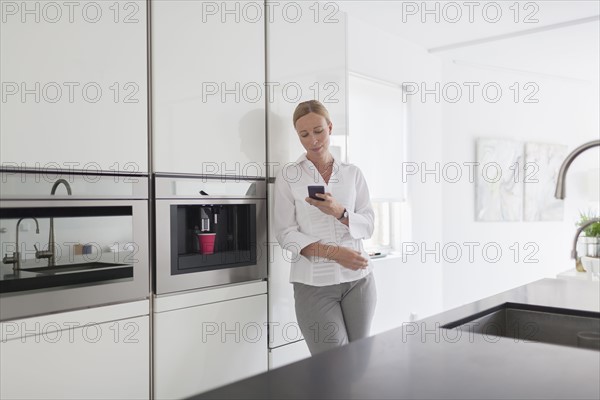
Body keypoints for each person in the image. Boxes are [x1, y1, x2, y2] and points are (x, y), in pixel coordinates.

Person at [274, 99, 377, 355]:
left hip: (359, 282)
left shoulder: (353, 173)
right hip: (313, 285)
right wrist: (335, 254)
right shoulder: (289, 176)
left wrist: (340, 212)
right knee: (332, 366)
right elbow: (285, 234)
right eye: (304, 134)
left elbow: (369, 224)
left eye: (318, 131)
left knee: (359, 360)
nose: (313, 140)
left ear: (330, 127)